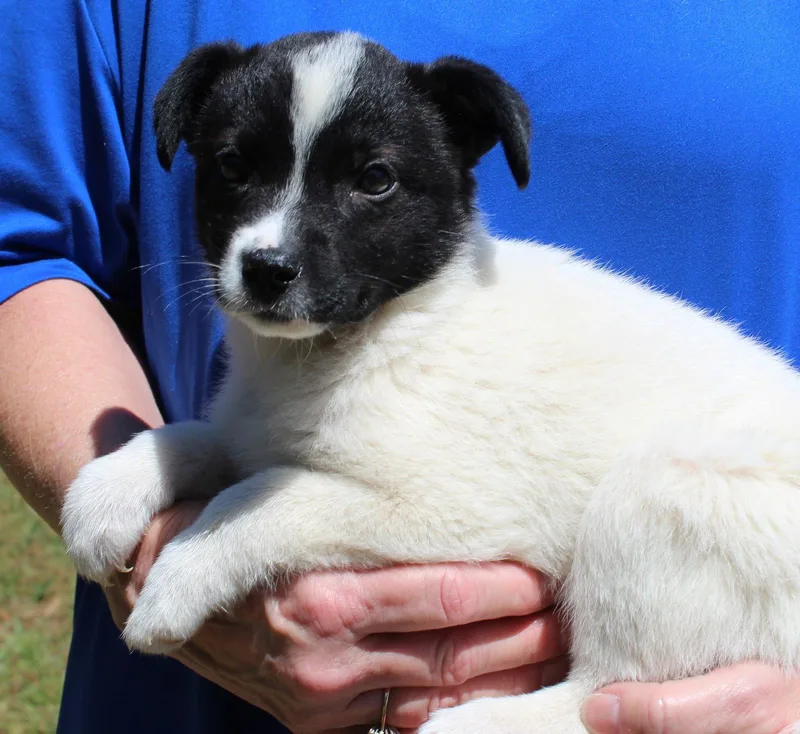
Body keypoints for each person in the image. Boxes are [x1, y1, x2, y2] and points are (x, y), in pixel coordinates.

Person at [0, 1, 798, 733]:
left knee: (664, 500)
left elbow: (433, 515)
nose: (274, 240)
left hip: (750, 522)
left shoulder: (453, 339)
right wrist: (159, 459)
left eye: (369, 180)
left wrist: (229, 544)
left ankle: (577, 714)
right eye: (242, 170)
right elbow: (21, 245)